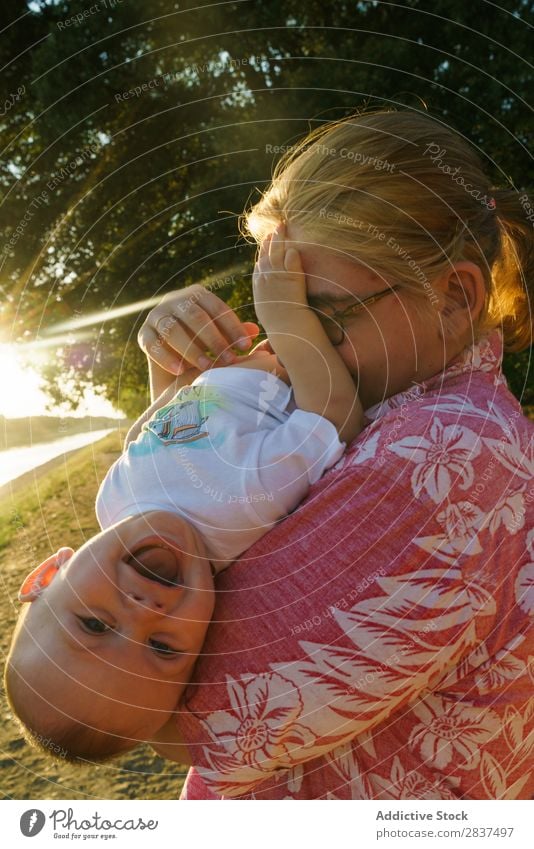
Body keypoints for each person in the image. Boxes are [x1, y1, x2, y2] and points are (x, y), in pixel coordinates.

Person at [140, 109, 533, 799]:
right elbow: (201, 527)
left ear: (454, 296)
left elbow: (178, 702)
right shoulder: (397, 414)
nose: (291, 348)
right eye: (279, 314)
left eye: (320, 317)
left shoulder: (444, 455)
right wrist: (180, 404)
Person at [3, 244, 363, 762]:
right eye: (164, 649)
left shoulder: (113, 501)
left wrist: (177, 356)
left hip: (231, 356)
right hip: (289, 341)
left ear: (48, 574)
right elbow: (332, 413)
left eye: (95, 625)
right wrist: (286, 318)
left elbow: (155, 424)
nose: (145, 613)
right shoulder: (244, 507)